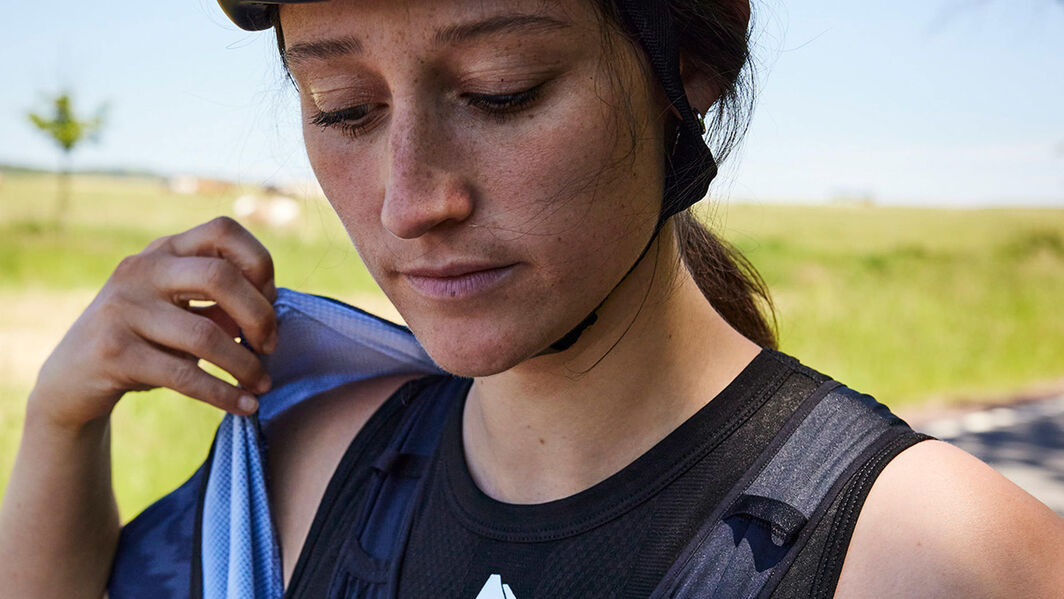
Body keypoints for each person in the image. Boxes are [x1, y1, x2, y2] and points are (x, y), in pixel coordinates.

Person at [2, 0, 1063, 597]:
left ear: (684, 68)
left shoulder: (937, 554)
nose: (412, 198)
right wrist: (63, 416)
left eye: (501, 90)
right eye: (344, 107)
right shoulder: (303, 469)